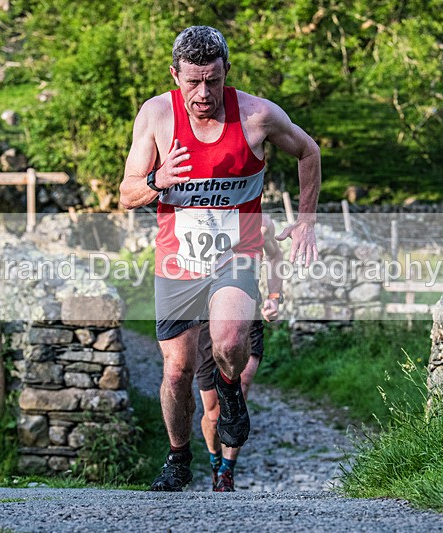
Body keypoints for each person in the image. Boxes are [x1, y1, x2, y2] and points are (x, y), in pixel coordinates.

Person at [119, 25, 321, 492]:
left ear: (226, 72)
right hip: (177, 260)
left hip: (238, 253)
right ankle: (177, 457)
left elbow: (308, 150)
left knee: (230, 343)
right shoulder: (155, 116)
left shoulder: (257, 115)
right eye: (192, 81)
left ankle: (229, 394)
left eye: (213, 80)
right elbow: (127, 192)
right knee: (177, 370)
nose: (203, 92)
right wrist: (156, 180)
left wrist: (306, 220)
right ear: (175, 75)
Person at [195, 214, 283, 492]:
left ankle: (226, 473)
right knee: (211, 412)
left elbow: (276, 257)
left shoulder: (262, 222)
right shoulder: (199, 213)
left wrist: (274, 297)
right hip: (203, 319)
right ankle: (214, 461)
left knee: (240, 389)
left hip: (246, 317)